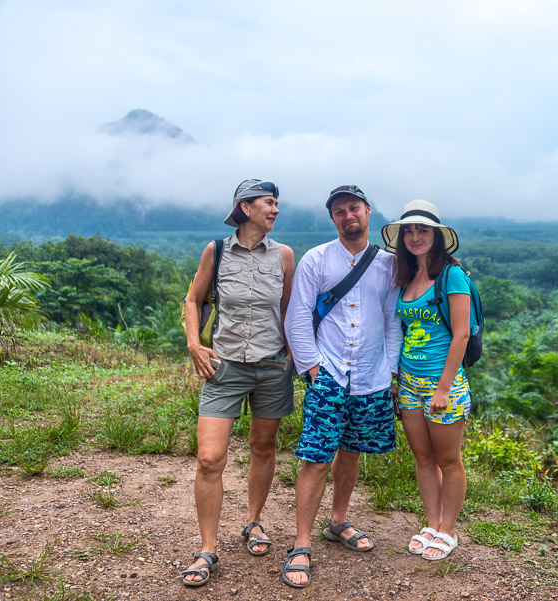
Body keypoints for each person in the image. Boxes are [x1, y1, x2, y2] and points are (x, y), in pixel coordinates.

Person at [282, 184, 401, 588]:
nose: (348, 216)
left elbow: (392, 320)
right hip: (328, 371)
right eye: (339, 212)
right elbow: (297, 316)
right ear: (333, 219)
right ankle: (301, 543)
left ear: (368, 212)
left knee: (350, 451)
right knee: (316, 457)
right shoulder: (317, 259)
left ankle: (338, 521)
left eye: (354, 209)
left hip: (371, 376)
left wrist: (392, 370)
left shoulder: (389, 264)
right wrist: (313, 369)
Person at [181, 179, 295, 587]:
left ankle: (252, 521)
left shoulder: (284, 255)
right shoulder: (216, 250)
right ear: (245, 208)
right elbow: (193, 299)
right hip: (224, 368)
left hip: (272, 367)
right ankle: (207, 548)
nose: (276, 210)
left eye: (277, 204)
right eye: (269, 203)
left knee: (263, 446)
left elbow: (288, 312)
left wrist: (297, 359)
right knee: (210, 458)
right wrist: (195, 344)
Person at [381, 199, 470, 561]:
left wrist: (444, 388)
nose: (415, 237)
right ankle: (432, 523)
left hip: (442, 384)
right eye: (409, 231)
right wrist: (396, 381)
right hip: (410, 383)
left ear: (437, 236)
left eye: (423, 230)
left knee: (449, 460)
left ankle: (449, 530)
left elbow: (461, 334)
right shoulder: (405, 277)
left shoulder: (451, 275)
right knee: (422, 457)